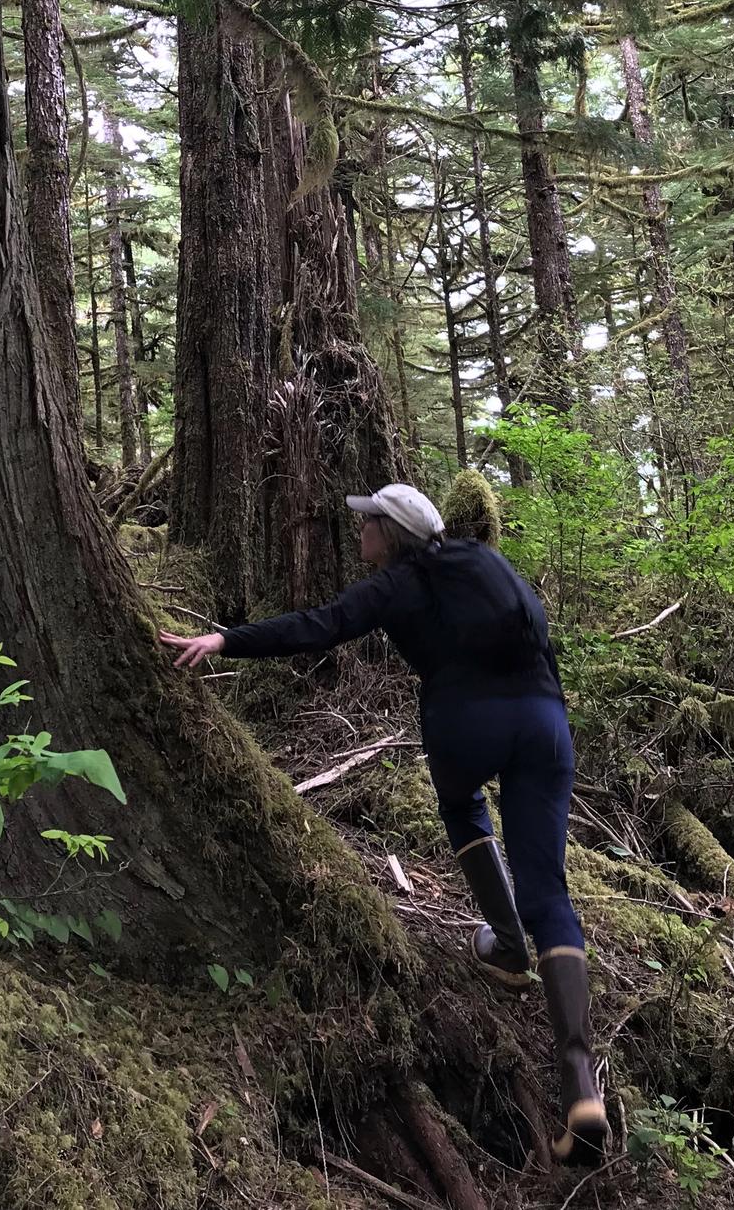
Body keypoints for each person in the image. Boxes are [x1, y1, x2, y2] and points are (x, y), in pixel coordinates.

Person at [160, 481, 608, 1165]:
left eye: (367, 520)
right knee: (551, 892)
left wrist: (226, 639)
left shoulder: (397, 583)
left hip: (466, 726)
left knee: (462, 806)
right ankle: (581, 1087)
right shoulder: (482, 559)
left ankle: (510, 949)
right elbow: (538, 629)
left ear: (389, 532)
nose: (358, 529)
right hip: (545, 721)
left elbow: (320, 624)